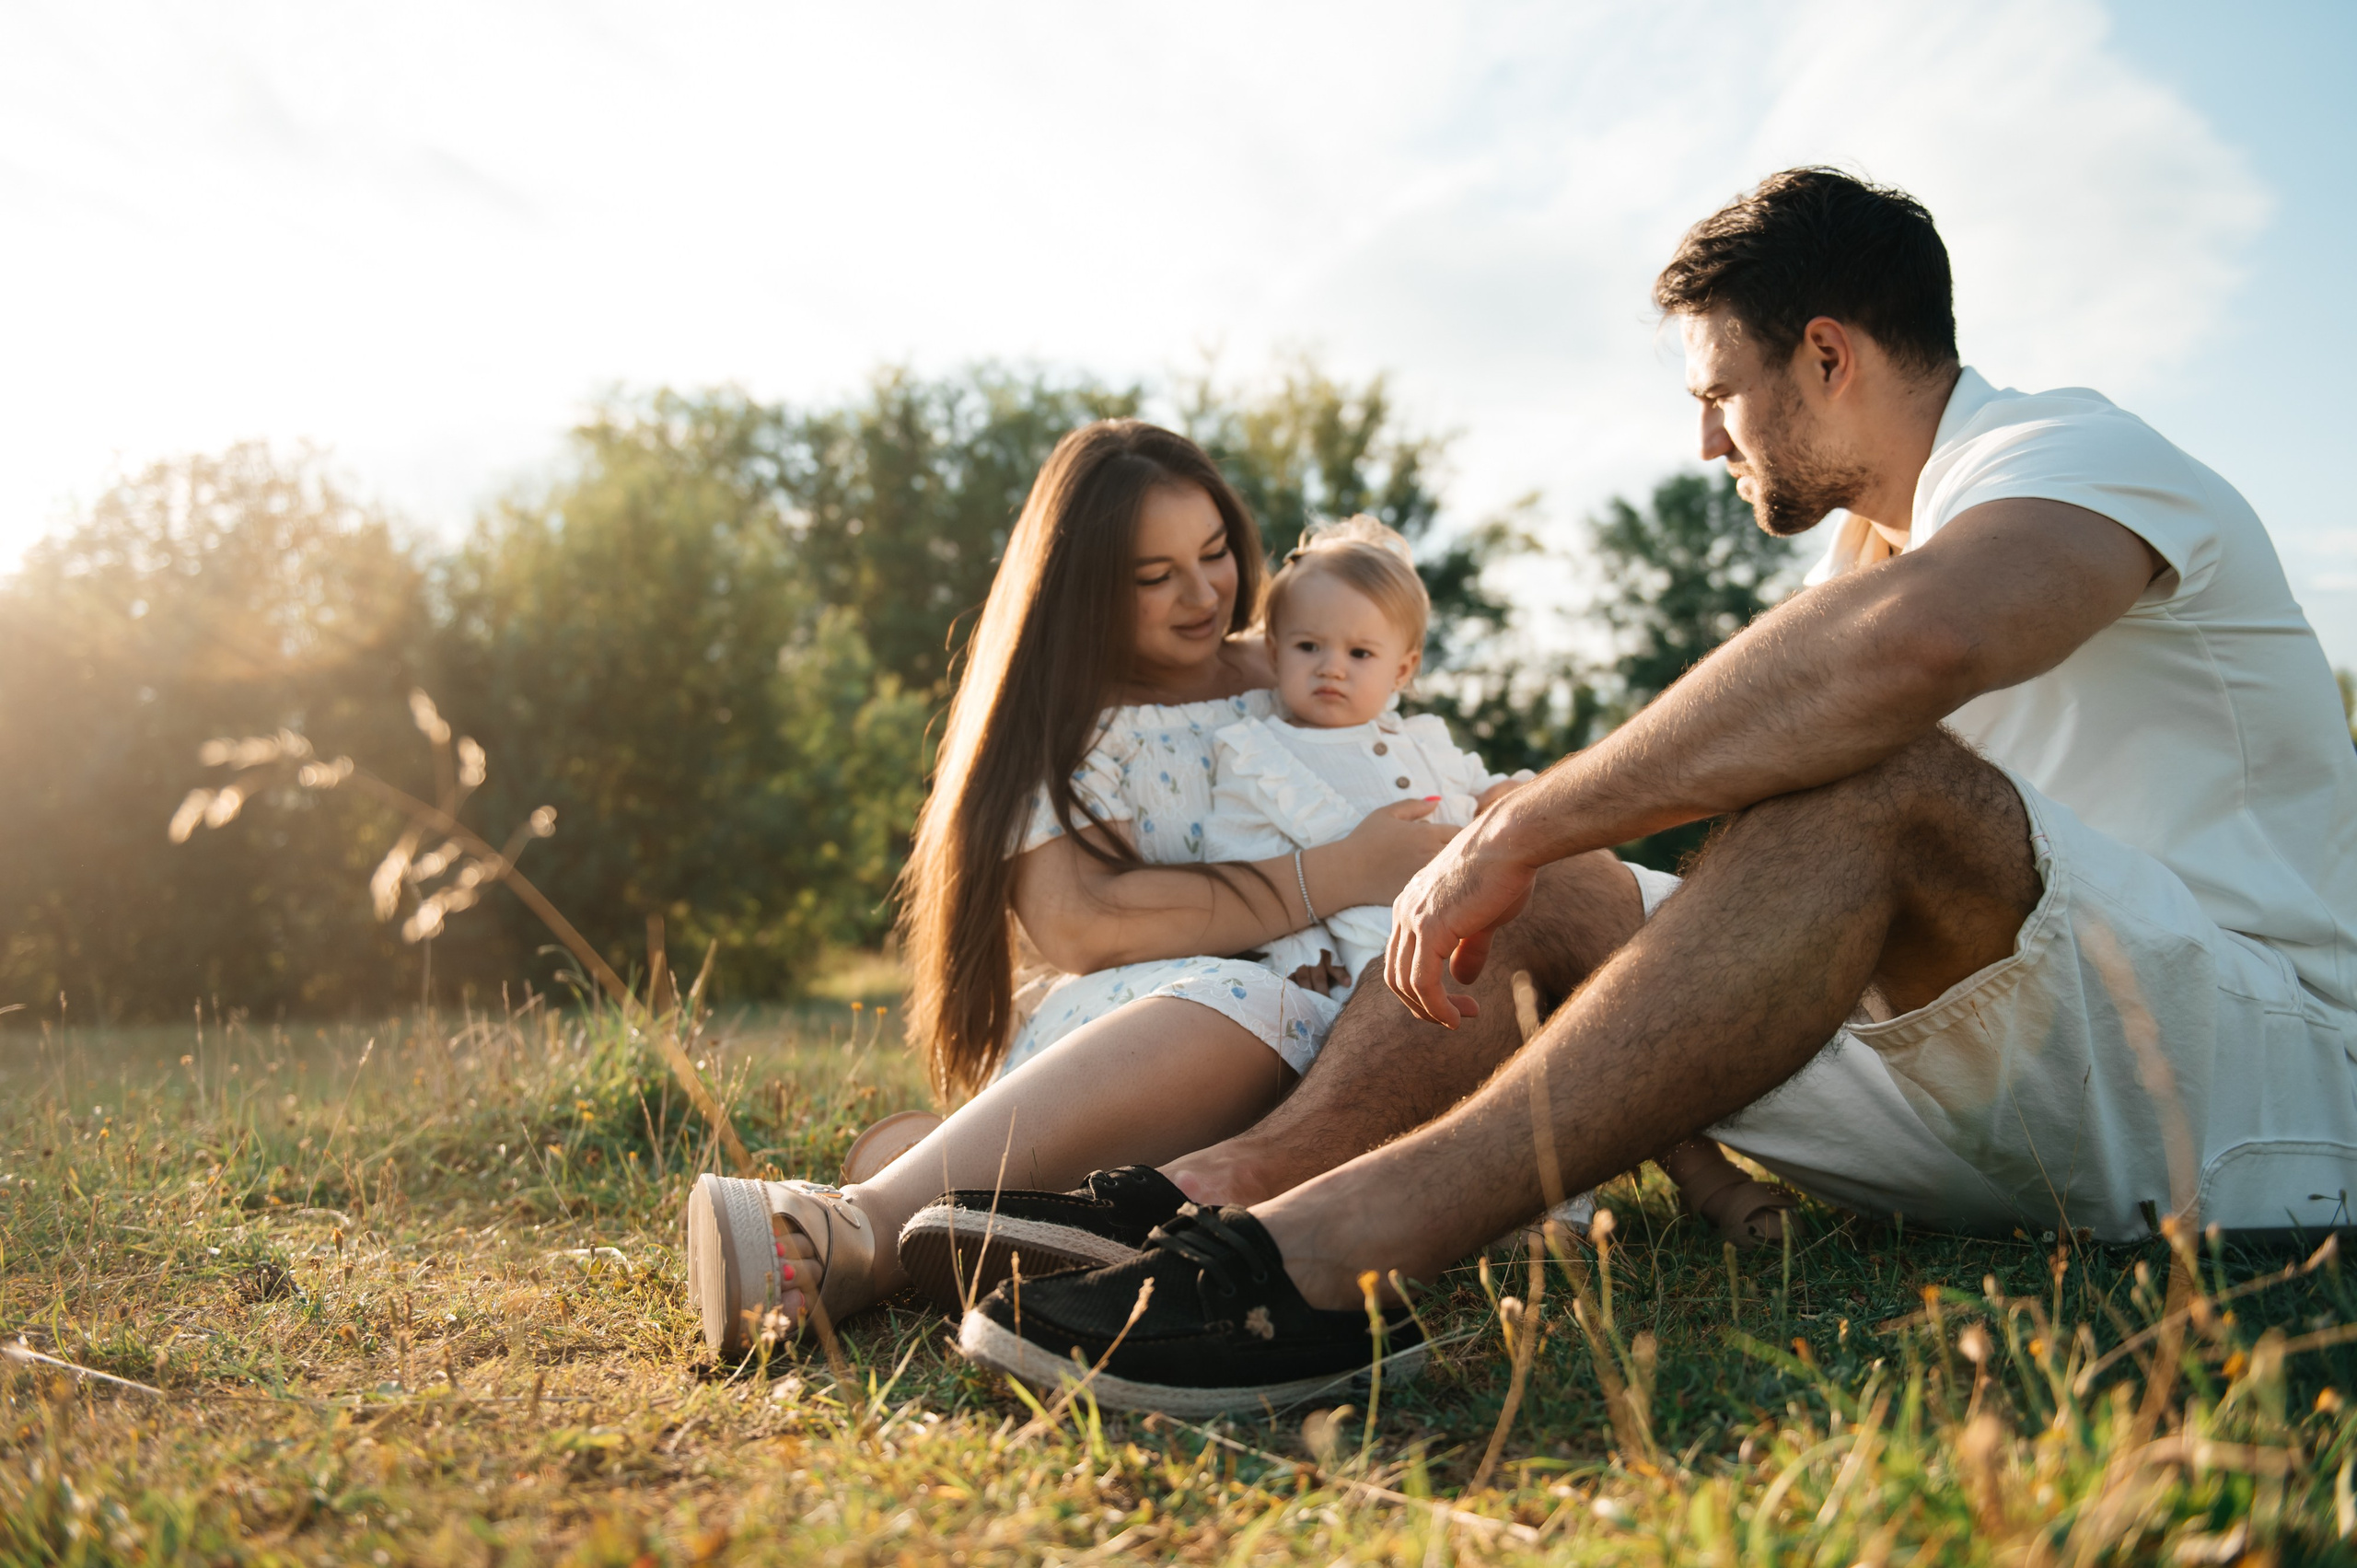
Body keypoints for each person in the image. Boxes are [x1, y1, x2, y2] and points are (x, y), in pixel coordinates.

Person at [953, 167, 2357, 1413]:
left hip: (2237, 1075)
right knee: (1541, 879)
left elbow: (1913, 647)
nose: (1707, 445)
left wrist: (1535, 814)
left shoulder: (2073, 454)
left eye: (1716, 397)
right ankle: (1227, 1191)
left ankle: (1318, 1266)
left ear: (1827, 355)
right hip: (1967, 1080)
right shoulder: (1876, 544)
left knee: (1845, 777)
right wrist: (1518, 844)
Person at [683, 420, 1465, 1355]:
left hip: (1309, 1006)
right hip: (1149, 1021)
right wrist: (1336, 872)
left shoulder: (1298, 661)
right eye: (1154, 575)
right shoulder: (1069, 721)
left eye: (1215, 551)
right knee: (1252, 999)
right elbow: (1084, 922)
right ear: (1079, 589)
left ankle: (1008, 1206)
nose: (1203, 593)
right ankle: (854, 1226)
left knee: (1343, 1025)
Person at [1202, 513, 1540, 1004]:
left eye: (1359, 653)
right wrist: (1299, 946)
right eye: (1308, 646)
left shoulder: (1423, 740)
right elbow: (1242, 861)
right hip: (1378, 956)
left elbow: (1480, 788)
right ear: (1274, 653)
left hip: (1486, 925)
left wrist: (1501, 795)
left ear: (1401, 670)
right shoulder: (1260, 756)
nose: (1332, 668)